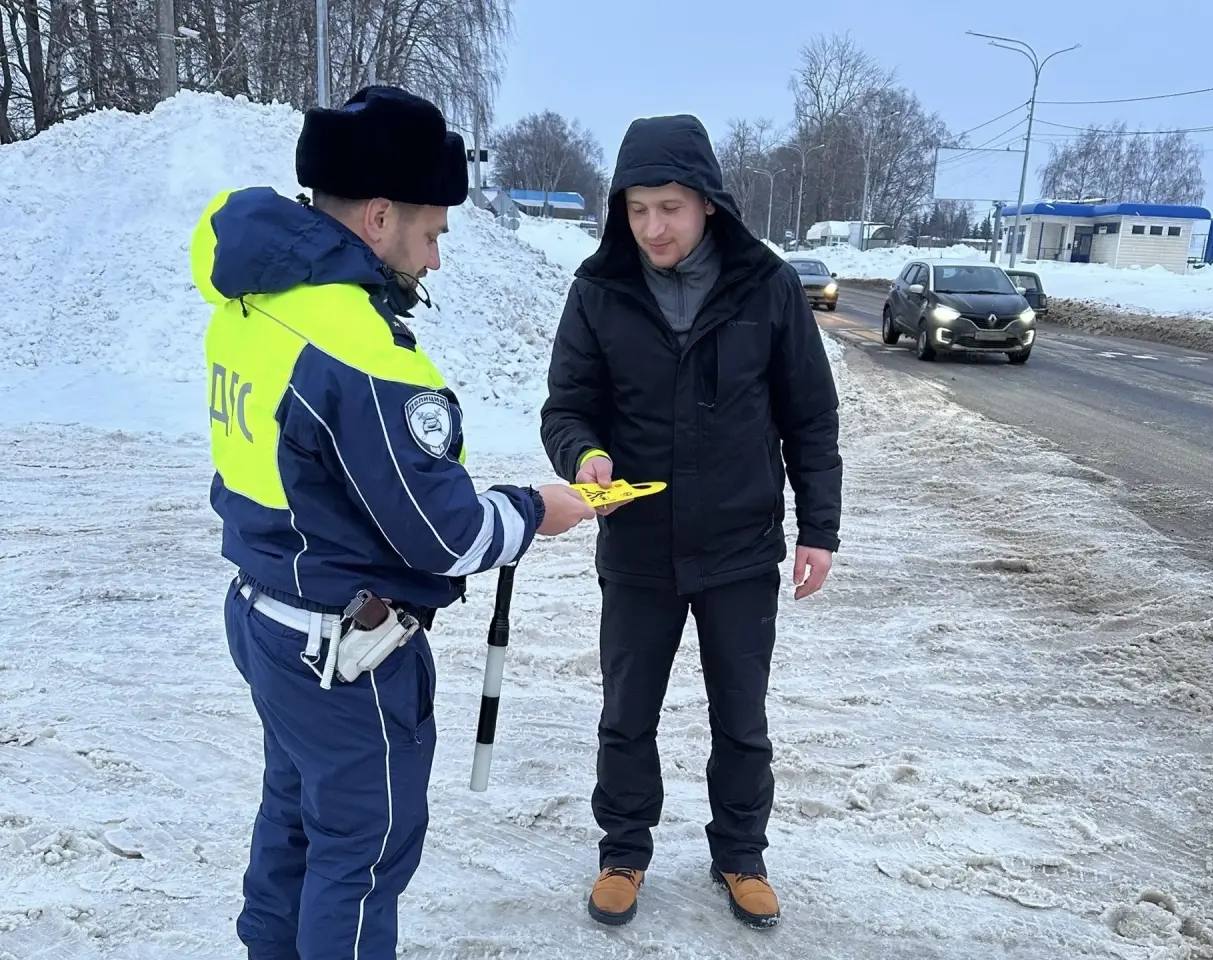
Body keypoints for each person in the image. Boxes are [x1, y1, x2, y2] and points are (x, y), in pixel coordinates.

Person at [191, 85, 595, 960]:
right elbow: (442, 532)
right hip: (345, 655)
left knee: (294, 828)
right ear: (379, 217)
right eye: (433, 232)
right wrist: (536, 511)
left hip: (269, 613)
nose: (436, 258)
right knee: (363, 856)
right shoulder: (357, 347)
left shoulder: (256, 297)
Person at [541, 114, 843, 929]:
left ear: (709, 202)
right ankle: (623, 852)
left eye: (669, 207)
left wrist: (820, 528)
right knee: (627, 710)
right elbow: (567, 406)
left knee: (741, 714)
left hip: (741, 548)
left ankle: (741, 855)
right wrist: (586, 453)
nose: (653, 227)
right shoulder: (599, 292)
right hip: (638, 545)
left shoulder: (769, 289)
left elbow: (810, 417)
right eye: (637, 209)